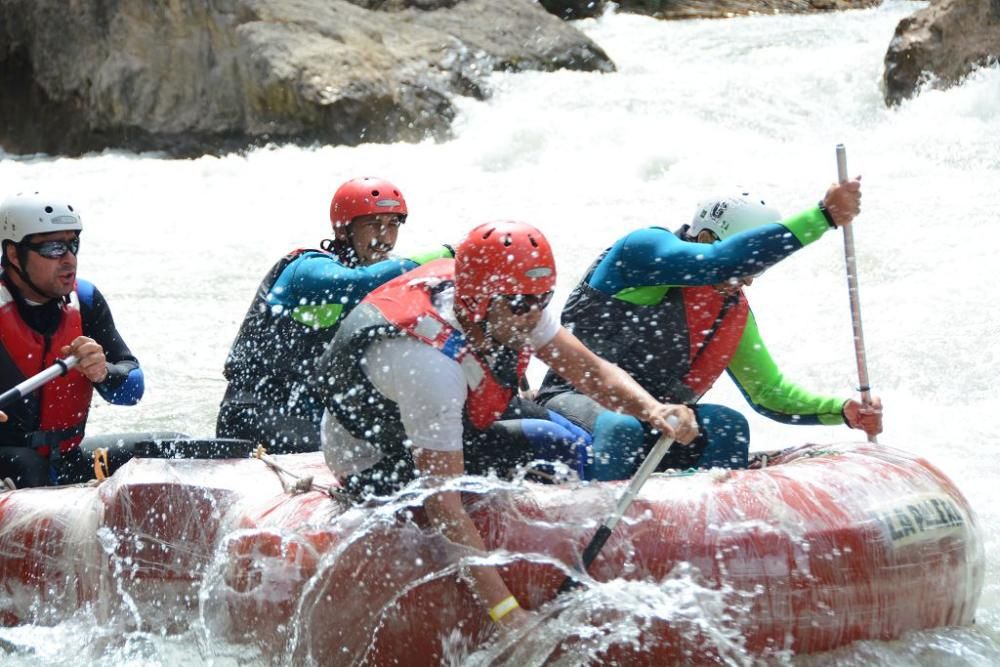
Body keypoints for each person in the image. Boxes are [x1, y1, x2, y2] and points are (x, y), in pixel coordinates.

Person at [316, 220, 699, 628]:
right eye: (520, 304)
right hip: (373, 459)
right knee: (537, 447)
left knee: (564, 440)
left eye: (543, 299)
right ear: (481, 301)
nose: (533, 314)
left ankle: (599, 555)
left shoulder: (513, 303)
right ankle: (551, 571)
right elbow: (444, 503)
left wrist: (654, 409)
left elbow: (593, 373)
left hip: (435, 418)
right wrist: (506, 613)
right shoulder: (430, 368)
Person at [536, 181, 883, 480]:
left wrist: (842, 410)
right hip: (574, 403)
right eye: (748, 264)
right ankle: (596, 525)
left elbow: (767, 392)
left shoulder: (729, 310)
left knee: (726, 424)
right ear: (704, 238)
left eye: (756, 270)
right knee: (621, 425)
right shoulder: (641, 254)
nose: (748, 278)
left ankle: (702, 530)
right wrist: (821, 216)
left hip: (661, 419)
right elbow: (721, 261)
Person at [216, 177, 453, 452]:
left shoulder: (387, 281)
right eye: (373, 225)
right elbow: (353, 283)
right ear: (343, 230)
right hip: (253, 414)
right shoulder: (306, 268)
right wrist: (444, 255)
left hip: (314, 416)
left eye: (392, 225)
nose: (385, 237)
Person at [0, 191, 144, 488]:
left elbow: (133, 391)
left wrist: (103, 373)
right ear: (14, 255)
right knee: (28, 466)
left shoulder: (86, 300)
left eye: (72, 244)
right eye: (53, 248)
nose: (69, 259)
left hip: (65, 460)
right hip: (12, 465)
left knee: (170, 450)